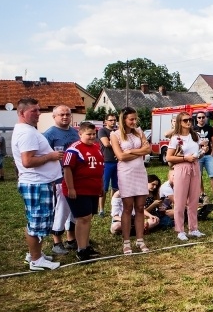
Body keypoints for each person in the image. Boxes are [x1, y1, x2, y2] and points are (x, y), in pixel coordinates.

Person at [11, 98, 63, 271]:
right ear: (21, 113)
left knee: (35, 221)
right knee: (37, 223)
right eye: (34, 111)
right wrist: (51, 156)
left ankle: (35, 254)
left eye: (39, 110)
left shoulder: (27, 130)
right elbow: (27, 161)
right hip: (36, 184)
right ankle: (36, 260)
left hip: (38, 183)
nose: (38, 114)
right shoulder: (27, 133)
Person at [110, 106, 151, 254]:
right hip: (126, 173)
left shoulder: (139, 132)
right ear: (124, 120)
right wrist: (138, 153)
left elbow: (148, 150)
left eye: (135, 119)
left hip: (140, 171)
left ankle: (140, 240)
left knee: (140, 207)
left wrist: (132, 151)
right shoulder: (115, 135)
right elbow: (120, 156)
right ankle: (126, 242)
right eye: (131, 119)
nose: (134, 121)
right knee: (127, 208)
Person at [62, 122, 103, 261]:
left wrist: (100, 186)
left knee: (88, 217)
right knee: (82, 218)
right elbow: (67, 168)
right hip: (79, 190)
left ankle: (85, 245)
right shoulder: (74, 149)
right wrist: (71, 188)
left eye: (94, 134)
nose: (92, 137)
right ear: (80, 134)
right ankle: (81, 250)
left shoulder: (97, 148)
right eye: (88, 134)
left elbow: (99, 168)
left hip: (92, 189)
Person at [42, 105, 79, 255]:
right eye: (61, 114)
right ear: (54, 117)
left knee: (73, 209)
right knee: (60, 209)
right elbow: (43, 156)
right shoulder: (49, 135)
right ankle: (57, 241)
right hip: (57, 178)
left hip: (75, 177)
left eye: (67, 114)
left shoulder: (75, 133)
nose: (65, 117)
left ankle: (71, 239)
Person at [166, 112, 204, 241]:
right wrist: (185, 158)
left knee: (194, 199)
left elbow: (199, 150)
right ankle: (180, 230)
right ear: (179, 122)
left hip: (195, 166)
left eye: (190, 120)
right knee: (180, 200)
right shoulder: (175, 138)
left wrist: (202, 152)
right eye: (185, 120)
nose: (189, 122)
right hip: (181, 167)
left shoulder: (195, 136)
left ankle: (193, 228)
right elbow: (169, 157)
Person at [194, 111, 213, 201]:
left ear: (205, 118)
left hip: (208, 155)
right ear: (196, 119)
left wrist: (212, 153)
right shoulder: (193, 129)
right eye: (199, 117)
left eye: (203, 117)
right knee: (199, 175)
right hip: (198, 156)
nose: (201, 119)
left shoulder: (209, 128)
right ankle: (202, 193)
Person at [97, 113, 119, 216]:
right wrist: (117, 145)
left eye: (114, 120)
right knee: (104, 188)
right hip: (106, 162)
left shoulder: (117, 131)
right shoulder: (102, 131)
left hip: (117, 161)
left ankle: (113, 208)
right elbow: (106, 143)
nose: (113, 122)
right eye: (110, 120)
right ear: (105, 121)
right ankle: (101, 209)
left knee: (115, 187)